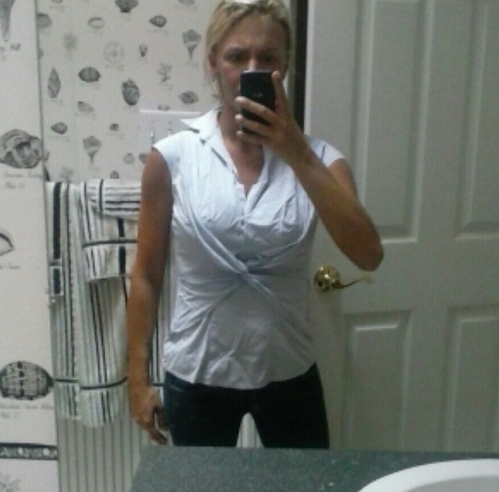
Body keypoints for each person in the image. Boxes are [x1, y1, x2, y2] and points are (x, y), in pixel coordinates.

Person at [126, 0, 383, 448]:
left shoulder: (322, 160)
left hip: (289, 370)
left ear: (286, 65)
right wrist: (136, 379)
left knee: (303, 490)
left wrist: (295, 150)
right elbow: (146, 275)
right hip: (198, 371)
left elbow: (368, 255)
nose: (252, 69)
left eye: (268, 57)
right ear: (212, 62)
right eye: (236, 56)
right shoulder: (174, 157)